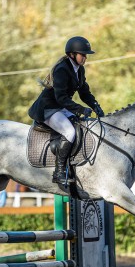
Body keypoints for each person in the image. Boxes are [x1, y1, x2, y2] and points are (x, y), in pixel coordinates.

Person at [28, 36, 104, 185]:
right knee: (70, 132)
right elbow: (61, 97)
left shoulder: (79, 70)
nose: (85, 58)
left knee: (82, 125)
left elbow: (84, 93)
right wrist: (81, 109)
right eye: (83, 54)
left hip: (60, 107)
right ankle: (59, 171)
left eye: (86, 55)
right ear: (72, 54)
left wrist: (96, 106)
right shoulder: (62, 69)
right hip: (49, 108)